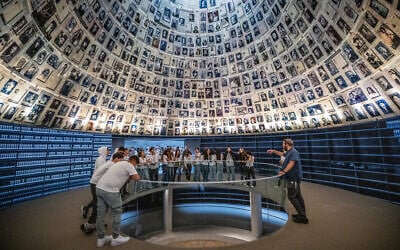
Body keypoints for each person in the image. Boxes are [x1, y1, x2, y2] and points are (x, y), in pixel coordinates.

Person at [96, 156, 140, 247]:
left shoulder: (119, 163)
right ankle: (116, 238)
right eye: (136, 165)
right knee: (116, 213)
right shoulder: (129, 164)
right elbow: (137, 177)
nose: (135, 166)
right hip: (111, 191)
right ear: (134, 161)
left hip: (99, 188)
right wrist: (131, 175)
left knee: (100, 214)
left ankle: (101, 238)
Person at [80, 152, 124, 234]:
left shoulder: (109, 163)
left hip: (97, 184)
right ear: (116, 158)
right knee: (98, 205)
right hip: (96, 184)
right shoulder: (111, 164)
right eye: (121, 160)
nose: (121, 162)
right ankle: (88, 225)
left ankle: (97, 223)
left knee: (100, 205)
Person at [267, 138, 308, 224]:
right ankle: (302, 214)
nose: (282, 145)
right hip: (292, 178)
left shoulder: (293, 152)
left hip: (293, 179)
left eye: (283, 144)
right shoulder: (289, 152)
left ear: (287, 144)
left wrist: (284, 171)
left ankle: (303, 217)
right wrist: (274, 151)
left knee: (291, 196)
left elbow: (292, 163)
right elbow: (282, 154)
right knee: (298, 196)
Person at [81, 147, 110, 219]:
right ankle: (92, 218)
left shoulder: (103, 159)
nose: (108, 152)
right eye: (107, 150)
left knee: (96, 199)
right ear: (103, 151)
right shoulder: (100, 159)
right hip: (95, 182)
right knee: (96, 200)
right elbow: (102, 170)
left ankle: (86, 208)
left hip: (98, 182)